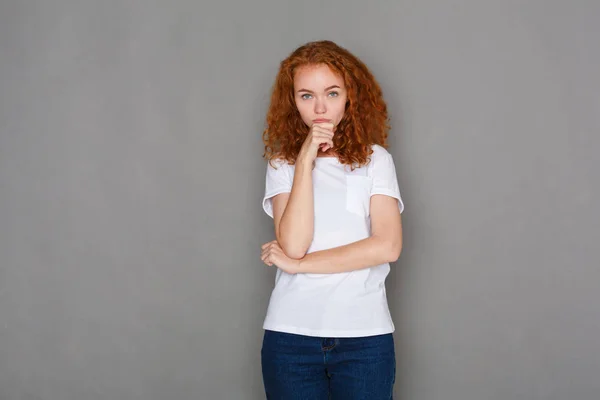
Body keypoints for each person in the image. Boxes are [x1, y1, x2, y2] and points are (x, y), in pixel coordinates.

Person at [259, 40, 404, 400]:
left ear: (350, 96)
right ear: (292, 101)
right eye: (306, 96)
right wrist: (306, 161)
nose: (320, 107)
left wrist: (298, 265)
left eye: (332, 93)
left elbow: (387, 246)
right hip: (290, 339)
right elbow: (293, 242)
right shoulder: (282, 164)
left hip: (364, 339)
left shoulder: (376, 160)